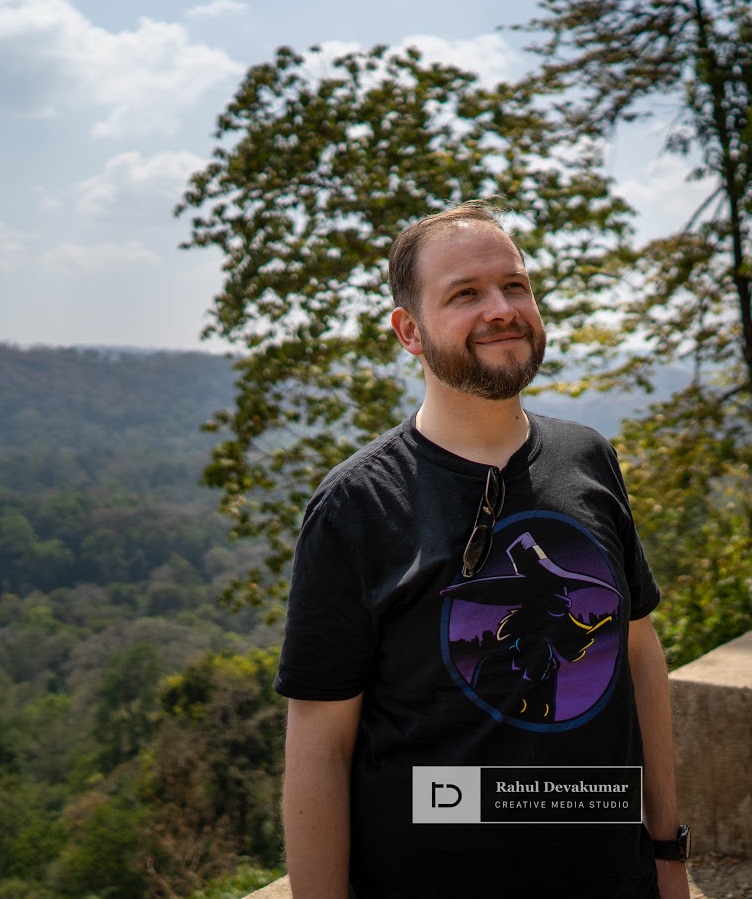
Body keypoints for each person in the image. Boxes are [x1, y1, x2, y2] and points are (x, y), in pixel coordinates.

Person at [275, 201, 690, 899]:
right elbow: (321, 741)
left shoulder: (588, 458)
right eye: (465, 293)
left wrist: (667, 852)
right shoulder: (356, 507)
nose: (501, 309)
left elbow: (639, 658)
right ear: (410, 331)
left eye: (514, 285)